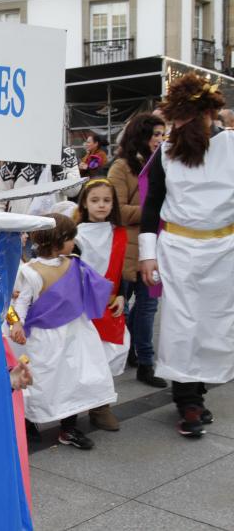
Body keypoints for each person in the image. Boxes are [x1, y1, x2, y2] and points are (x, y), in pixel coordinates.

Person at [139, 74, 234, 438]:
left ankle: (199, 391)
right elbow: (152, 205)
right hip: (177, 249)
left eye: (187, 118)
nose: (179, 127)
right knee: (181, 324)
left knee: (213, 322)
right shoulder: (165, 152)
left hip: (223, 248)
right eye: (175, 119)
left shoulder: (230, 146)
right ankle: (187, 399)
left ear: (207, 114)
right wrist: (148, 255)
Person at [9, 213, 116, 450]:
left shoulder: (74, 264)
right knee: (39, 381)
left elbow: (92, 286)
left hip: (75, 333)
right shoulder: (31, 271)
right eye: (70, 238)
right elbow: (22, 302)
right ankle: (27, 422)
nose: (73, 243)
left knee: (74, 379)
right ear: (57, 240)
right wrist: (17, 323)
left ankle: (69, 428)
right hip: (44, 338)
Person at [108, 113, 167, 387]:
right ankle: (121, 353)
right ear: (140, 136)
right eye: (155, 134)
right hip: (126, 251)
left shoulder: (165, 164)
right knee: (123, 306)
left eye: (162, 134)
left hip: (154, 250)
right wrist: (153, 212)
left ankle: (145, 362)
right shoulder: (121, 167)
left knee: (147, 308)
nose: (160, 139)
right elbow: (114, 209)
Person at [74, 179, 129, 432]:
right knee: (82, 358)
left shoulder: (119, 232)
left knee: (107, 356)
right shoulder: (75, 234)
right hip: (81, 306)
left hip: (109, 305)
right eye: (95, 200)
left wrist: (122, 295)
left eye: (106, 200)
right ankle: (74, 408)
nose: (101, 205)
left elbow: (123, 268)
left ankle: (101, 407)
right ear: (84, 202)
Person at [0, 147, 81, 215]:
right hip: (20, 228)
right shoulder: (17, 153)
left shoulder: (66, 153)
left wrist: (56, 167)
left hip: (54, 229)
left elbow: (74, 191)